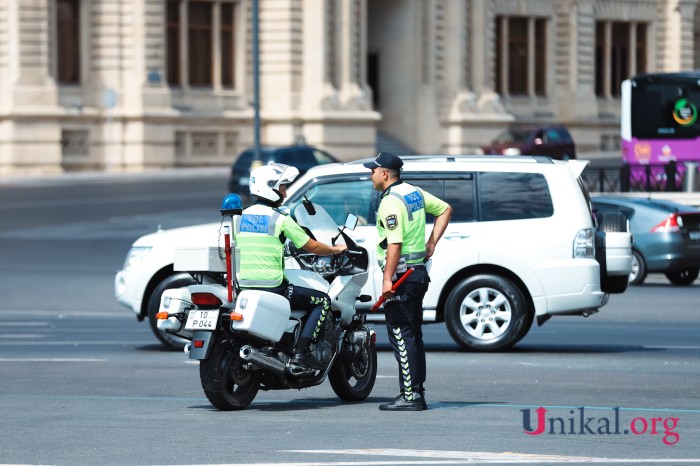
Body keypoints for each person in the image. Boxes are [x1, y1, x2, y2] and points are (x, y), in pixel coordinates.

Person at [236, 162, 347, 370]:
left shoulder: (239, 217)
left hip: (243, 287)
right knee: (322, 301)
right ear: (270, 187)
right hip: (273, 287)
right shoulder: (279, 219)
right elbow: (312, 246)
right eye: (282, 187)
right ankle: (301, 354)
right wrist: (336, 249)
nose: (285, 194)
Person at [364, 152, 452, 411]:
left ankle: (411, 396)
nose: (370, 176)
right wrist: (431, 242)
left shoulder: (391, 202)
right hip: (417, 273)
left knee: (401, 334)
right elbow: (446, 209)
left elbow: (395, 243)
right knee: (412, 334)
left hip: (402, 276)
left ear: (384, 174)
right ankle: (416, 392)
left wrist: (387, 279)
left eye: (373, 171)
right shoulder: (413, 192)